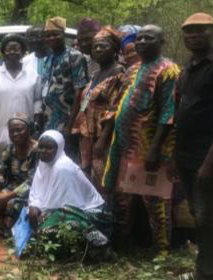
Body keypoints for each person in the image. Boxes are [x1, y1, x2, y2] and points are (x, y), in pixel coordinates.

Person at [102, 25, 180, 258]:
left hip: (149, 147)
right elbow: (119, 104)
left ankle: (162, 250)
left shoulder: (169, 70)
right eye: (140, 38)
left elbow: (169, 113)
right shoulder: (134, 69)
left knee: (155, 199)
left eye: (149, 37)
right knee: (122, 195)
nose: (142, 41)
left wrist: (156, 148)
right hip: (124, 145)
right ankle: (124, 243)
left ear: (162, 41)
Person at [175, 13, 213, 280]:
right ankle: (200, 270)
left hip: (208, 154)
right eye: (188, 32)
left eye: (200, 30)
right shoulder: (189, 68)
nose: (193, 35)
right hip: (185, 153)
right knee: (198, 215)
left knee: (208, 216)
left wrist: (211, 160)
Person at [27, 130, 111, 259]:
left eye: (49, 148)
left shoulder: (62, 167)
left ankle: (96, 248)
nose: (43, 151)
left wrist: (41, 215)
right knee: (24, 210)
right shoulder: (44, 163)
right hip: (63, 209)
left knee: (51, 225)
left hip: (91, 214)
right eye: (41, 147)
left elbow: (67, 206)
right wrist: (34, 206)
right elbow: (37, 191)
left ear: (59, 149)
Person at [70, 27, 125, 191]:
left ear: (114, 49)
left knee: (102, 180)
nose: (98, 49)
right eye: (95, 47)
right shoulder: (97, 73)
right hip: (87, 134)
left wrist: (102, 140)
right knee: (87, 179)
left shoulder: (118, 74)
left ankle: (106, 214)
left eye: (103, 46)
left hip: (103, 137)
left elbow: (115, 109)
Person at [0, 33, 41, 167]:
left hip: (25, 132)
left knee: (24, 167)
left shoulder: (33, 75)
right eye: (9, 49)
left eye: (16, 49)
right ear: (3, 52)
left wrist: (35, 124)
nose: (12, 52)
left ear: (23, 52)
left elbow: (37, 101)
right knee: (1, 168)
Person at [40, 16, 89, 154]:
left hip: (66, 119)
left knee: (66, 156)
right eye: (48, 35)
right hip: (49, 118)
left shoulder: (75, 56)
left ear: (63, 34)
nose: (51, 38)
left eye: (56, 34)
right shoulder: (48, 58)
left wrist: (70, 124)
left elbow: (80, 92)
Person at [0, 113, 39, 235]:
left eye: (19, 130)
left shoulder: (37, 150)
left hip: (32, 191)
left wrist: (6, 197)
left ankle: (11, 231)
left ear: (29, 130)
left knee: (12, 204)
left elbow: (32, 182)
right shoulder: (10, 148)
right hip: (11, 186)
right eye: (11, 132)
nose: (15, 134)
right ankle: (0, 227)